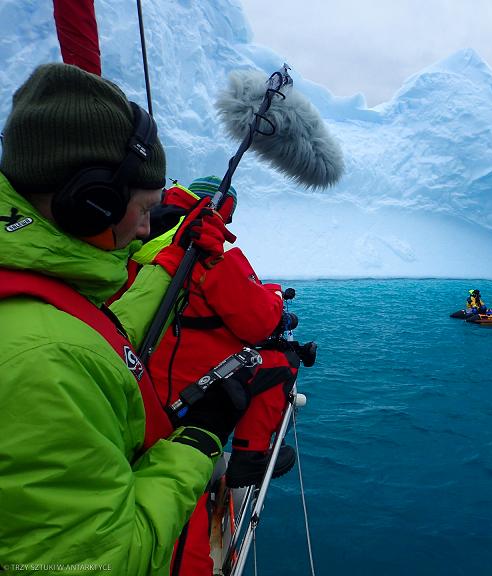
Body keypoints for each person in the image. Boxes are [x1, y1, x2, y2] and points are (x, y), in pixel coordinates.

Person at [0, 63, 253, 574]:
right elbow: (103, 562)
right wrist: (197, 443)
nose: (144, 229)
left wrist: (171, 261)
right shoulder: (45, 363)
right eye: (142, 210)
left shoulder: (35, 291)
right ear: (91, 204)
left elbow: (98, 330)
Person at [138, 177, 304, 575]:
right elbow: (258, 321)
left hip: (139, 375)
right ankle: (249, 458)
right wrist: (275, 297)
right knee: (280, 362)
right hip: (182, 396)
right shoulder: (206, 245)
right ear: (224, 208)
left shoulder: (141, 236)